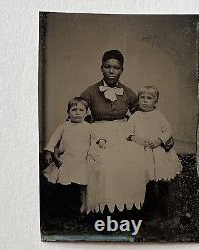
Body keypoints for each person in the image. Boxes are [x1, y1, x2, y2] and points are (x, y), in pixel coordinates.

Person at [80, 50, 147, 214]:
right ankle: (101, 207)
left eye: (116, 68)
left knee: (135, 156)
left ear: (121, 70)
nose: (111, 71)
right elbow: (77, 112)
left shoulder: (128, 92)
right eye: (107, 67)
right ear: (101, 68)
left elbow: (141, 115)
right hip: (99, 133)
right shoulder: (90, 91)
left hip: (123, 132)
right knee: (103, 161)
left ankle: (128, 206)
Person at [126, 85, 182, 218]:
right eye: (142, 98)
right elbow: (128, 132)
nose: (145, 101)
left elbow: (168, 131)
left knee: (162, 179)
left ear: (155, 102)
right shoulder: (135, 116)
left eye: (149, 98)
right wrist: (136, 139)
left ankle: (164, 207)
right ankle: (148, 209)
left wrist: (159, 140)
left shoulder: (158, 116)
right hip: (143, 152)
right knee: (148, 180)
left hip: (158, 152)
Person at [43, 97, 102, 217]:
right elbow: (53, 140)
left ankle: (83, 207)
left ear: (87, 113)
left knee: (82, 185)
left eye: (81, 110)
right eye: (74, 110)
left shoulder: (89, 127)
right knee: (66, 183)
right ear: (68, 112)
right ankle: (66, 206)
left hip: (82, 161)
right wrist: (49, 152)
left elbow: (99, 136)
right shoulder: (64, 126)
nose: (77, 113)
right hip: (68, 160)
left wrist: (101, 140)